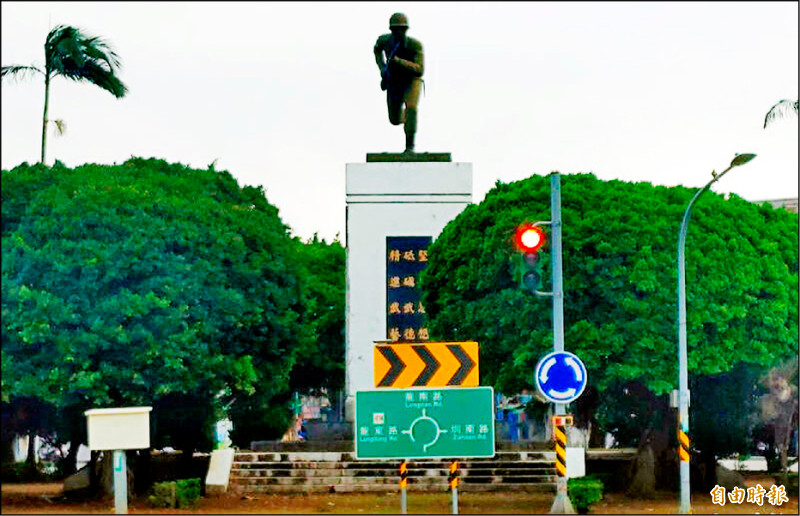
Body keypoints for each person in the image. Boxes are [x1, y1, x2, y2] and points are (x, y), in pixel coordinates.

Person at [373, 12, 424, 153]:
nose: (398, 32)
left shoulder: (415, 45)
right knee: (394, 119)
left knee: (412, 108)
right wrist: (382, 68)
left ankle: (410, 146)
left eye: (401, 29)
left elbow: (420, 69)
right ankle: (406, 118)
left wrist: (399, 62)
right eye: (395, 29)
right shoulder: (384, 41)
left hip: (411, 81)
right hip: (394, 81)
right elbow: (377, 50)